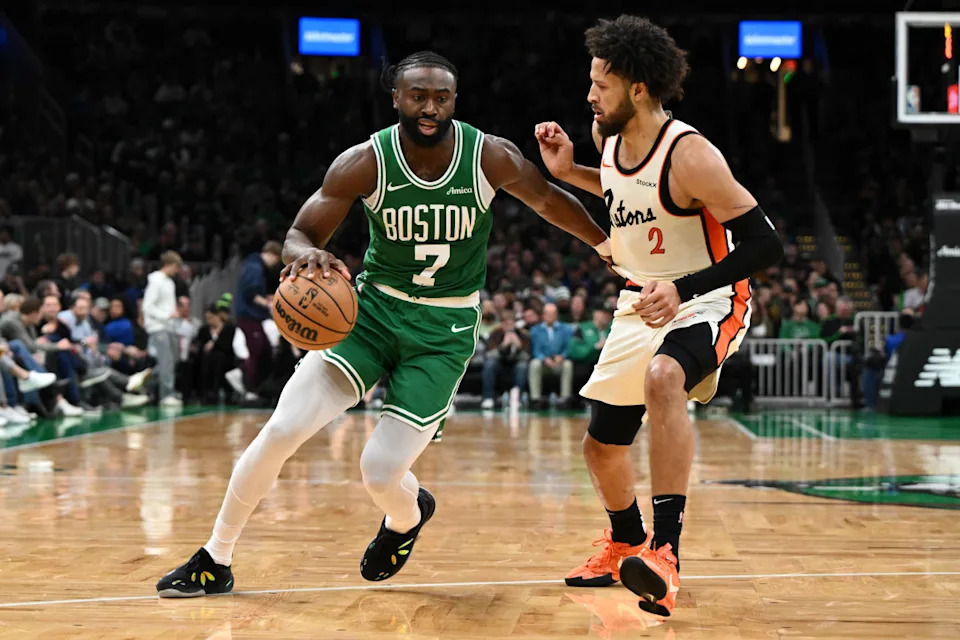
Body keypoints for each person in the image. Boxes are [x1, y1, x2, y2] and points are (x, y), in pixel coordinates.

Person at [156, 51, 611, 597]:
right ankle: (216, 557)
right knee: (280, 431)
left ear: (454, 101)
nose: (429, 107)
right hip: (371, 314)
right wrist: (305, 257)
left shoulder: (489, 156)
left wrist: (606, 246)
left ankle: (406, 517)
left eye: (441, 97)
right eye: (418, 96)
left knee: (378, 471)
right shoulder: (365, 161)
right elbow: (299, 234)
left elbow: (548, 201)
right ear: (396, 98)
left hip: (442, 331)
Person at [535, 16, 783, 616]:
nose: (590, 95)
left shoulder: (692, 155)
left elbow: (765, 244)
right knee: (601, 448)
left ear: (639, 89)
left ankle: (665, 552)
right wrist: (568, 173)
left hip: (709, 297)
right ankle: (626, 541)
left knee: (664, 377)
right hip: (642, 300)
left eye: (601, 84)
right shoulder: (607, 138)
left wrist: (683, 288)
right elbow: (625, 192)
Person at [234, 241, 283, 392]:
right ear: (273, 255)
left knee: (264, 349)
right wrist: (268, 304)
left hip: (253, 315)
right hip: (249, 315)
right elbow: (251, 293)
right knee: (256, 350)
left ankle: (252, 383)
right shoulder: (255, 267)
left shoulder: (254, 266)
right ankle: (247, 384)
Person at [143, 251, 183, 407]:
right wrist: (167, 315)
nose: (177, 271)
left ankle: (145, 384)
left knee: (171, 361)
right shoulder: (156, 281)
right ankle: (166, 395)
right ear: (170, 264)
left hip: (169, 327)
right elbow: (147, 306)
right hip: (158, 327)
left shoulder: (169, 282)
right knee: (166, 362)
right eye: (176, 267)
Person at [528, 303, 575, 408]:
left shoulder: (566, 329)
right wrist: (544, 359)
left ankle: (565, 398)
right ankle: (535, 399)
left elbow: (569, 347)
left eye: (553, 314)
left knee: (568, 364)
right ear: (543, 315)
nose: (550, 316)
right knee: (534, 364)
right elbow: (536, 350)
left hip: (559, 362)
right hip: (544, 363)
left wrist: (562, 356)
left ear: (556, 315)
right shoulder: (535, 330)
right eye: (548, 314)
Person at [481, 310, 530, 409]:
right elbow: (488, 355)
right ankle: (488, 398)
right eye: (506, 324)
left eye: (512, 324)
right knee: (490, 364)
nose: (509, 327)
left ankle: (517, 399)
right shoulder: (495, 334)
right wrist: (503, 345)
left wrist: (519, 346)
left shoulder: (522, 334)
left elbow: (527, 357)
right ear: (502, 324)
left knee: (522, 366)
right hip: (499, 364)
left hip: (515, 364)